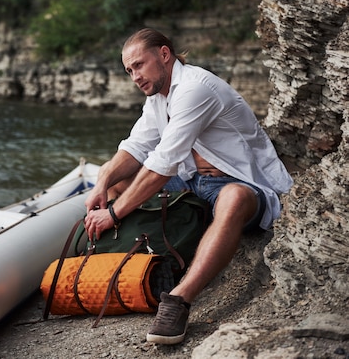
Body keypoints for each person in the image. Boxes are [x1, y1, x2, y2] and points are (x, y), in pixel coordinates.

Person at [83, 28, 293, 345]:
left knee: (233, 199)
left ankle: (178, 299)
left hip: (238, 182)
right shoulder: (158, 98)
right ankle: (142, 267)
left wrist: (113, 213)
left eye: (139, 65)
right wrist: (102, 182)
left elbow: (164, 164)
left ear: (164, 54)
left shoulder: (195, 88)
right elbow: (135, 148)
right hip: (193, 181)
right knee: (118, 180)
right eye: (129, 70)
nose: (134, 77)